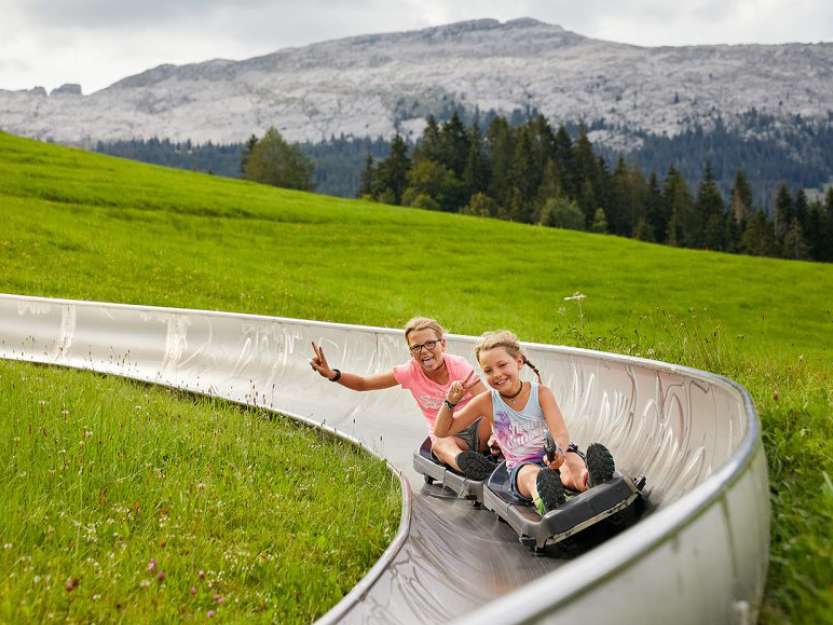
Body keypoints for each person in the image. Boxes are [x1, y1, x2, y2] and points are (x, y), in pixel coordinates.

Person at [433, 330, 615, 515]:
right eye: (488, 370)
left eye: (502, 365)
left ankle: (589, 479)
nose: (496, 374)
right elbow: (442, 431)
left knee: (571, 463)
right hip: (522, 464)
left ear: (519, 362)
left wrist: (558, 451)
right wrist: (450, 402)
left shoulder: (541, 393)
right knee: (531, 477)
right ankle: (548, 498)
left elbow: (560, 433)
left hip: (554, 454)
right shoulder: (486, 401)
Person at [310, 317, 496, 480]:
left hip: (477, 428)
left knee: (493, 416)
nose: (424, 351)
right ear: (411, 352)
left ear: (443, 344)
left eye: (430, 343)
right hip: (449, 435)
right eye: (416, 347)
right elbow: (364, 383)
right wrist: (332, 374)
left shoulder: (457, 366)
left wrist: (497, 433)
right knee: (440, 445)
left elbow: (486, 400)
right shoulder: (409, 372)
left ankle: (502, 449)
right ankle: (465, 464)